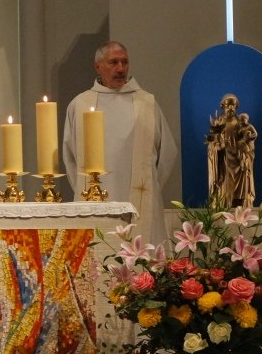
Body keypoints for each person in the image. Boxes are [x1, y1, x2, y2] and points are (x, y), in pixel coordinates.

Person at [63, 41, 177, 243]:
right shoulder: (80, 104)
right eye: (113, 62)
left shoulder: (147, 103)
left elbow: (167, 152)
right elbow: (70, 155)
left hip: (140, 198)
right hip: (94, 196)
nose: (120, 68)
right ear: (98, 66)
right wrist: (84, 187)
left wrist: (148, 185)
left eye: (124, 62)